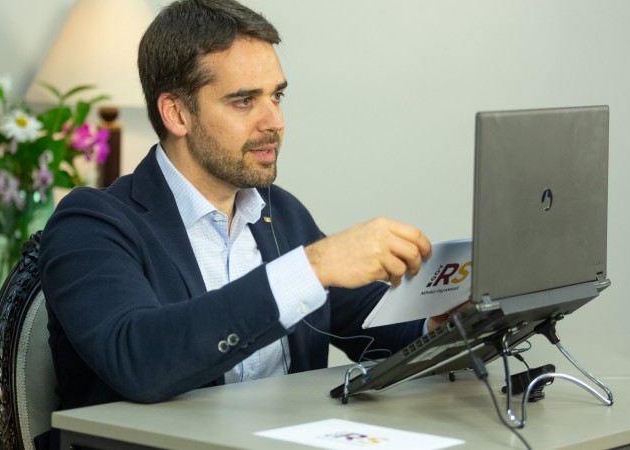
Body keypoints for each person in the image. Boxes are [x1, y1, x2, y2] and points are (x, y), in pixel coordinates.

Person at [37, 0, 443, 447]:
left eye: (276, 96)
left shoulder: (281, 212)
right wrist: (312, 267)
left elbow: (371, 325)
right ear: (176, 113)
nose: (275, 122)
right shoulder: (91, 223)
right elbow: (139, 361)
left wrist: (440, 321)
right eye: (244, 100)